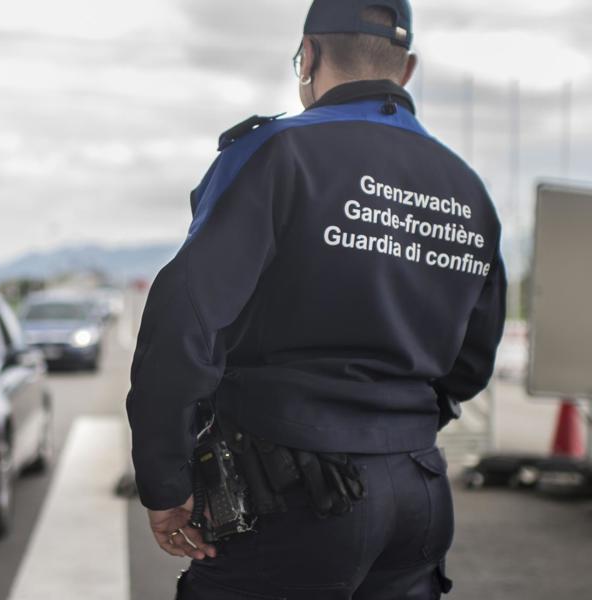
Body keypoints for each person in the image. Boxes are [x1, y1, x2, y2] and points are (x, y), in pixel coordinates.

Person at [125, 1, 506, 598]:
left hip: (294, 494)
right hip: (419, 496)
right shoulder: (466, 189)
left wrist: (166, 481)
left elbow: (184, 320)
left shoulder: (278, 152)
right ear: (405, 70)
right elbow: (472, 362)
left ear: (308, 56)